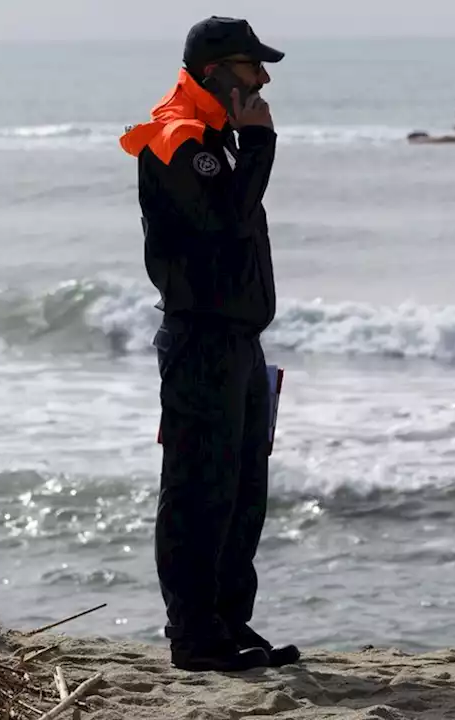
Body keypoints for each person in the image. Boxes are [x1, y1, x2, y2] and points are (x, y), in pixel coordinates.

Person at [118, 15, 300, 673]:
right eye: (254, 67)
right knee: (200, 490)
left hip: (240, 343)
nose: (264, 79)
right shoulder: (177, 135)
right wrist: (261, 141)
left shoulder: (217, 137)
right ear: (219, 69)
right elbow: (224, 219)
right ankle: (194, 637)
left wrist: (247, 142)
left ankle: (227, 623)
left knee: (243, 490)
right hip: (200, 342)